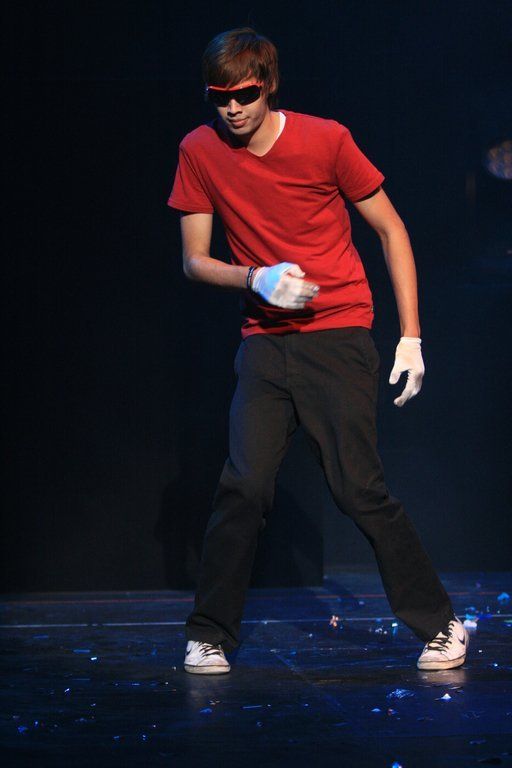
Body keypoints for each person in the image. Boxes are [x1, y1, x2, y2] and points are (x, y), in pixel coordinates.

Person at [166, 27, 469, 675]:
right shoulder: (199, 150)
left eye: (245, 95)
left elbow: (391, 229)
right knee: (244, 485)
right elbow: (194, 260)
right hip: (265, 340)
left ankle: (441, 623)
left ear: (269, 86)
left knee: (358, 488)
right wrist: (255, 278)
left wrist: (411, 336)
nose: (232, 109)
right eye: (219, 97)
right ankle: (209, 632)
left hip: (337, 332)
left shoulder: (325, 140)